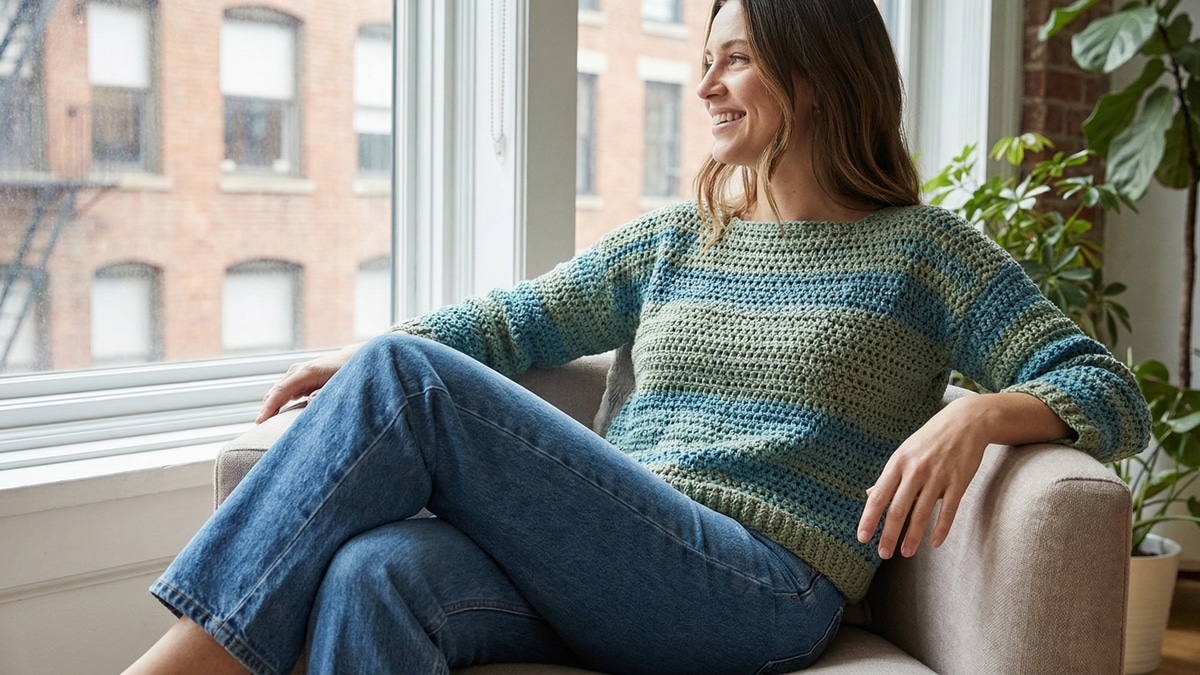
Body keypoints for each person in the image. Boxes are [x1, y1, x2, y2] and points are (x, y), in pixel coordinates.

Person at [124, 1, 1151, 673]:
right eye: (704, 59)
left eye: (736, 59)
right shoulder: (674, 241)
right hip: (619, 557)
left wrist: (979, 413)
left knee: (406, 380)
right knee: (375, 573)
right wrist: (363, 367)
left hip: (757, 588)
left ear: (820, 75)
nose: (704, 84)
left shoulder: (924, 254)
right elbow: (517, 319)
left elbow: (1106, 389)